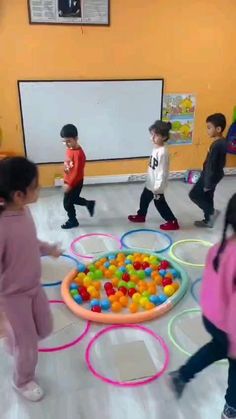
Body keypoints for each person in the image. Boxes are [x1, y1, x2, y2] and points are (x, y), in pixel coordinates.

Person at [0, 157, 62, 402]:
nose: (39, 189)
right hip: (13, 296)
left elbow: (30, 243)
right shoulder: (3, 227)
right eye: (35, 186)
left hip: (34, 286)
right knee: (28, 345)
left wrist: (49, 249)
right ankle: (22, 380)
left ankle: (15, 337)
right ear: (18, 195)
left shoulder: (24, 213)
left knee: (45, 327)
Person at [169, 193, 236, 419]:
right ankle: (231, 409)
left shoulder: (219, 247)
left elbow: (211, 285)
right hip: (231, 327)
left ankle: (182, 375)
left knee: (217, 347)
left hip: (211, 317)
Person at [128, 120, 179, 231]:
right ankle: (141, 215)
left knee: (159, 203)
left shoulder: (163, 152)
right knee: (144, 198)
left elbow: (162, 172)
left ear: (164, 137)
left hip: (157, 185)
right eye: (152, 135)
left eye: (156, 136)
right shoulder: (156, 148)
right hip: (151, 182)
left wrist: (157, 188)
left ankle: (172, 221)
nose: (152, 138)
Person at [189, 113, 227, 228]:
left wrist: (208, 182)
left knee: (194, 195)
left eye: (209, 128)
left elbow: (212, 164)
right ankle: (208, 220)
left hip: (209, 176)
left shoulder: (217, 145)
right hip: (215, 175)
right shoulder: (222, 142)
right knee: (207, 197)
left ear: (218, 129)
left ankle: (211, 212)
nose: (207, 131)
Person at [61, 124, 95, 229]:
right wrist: (65, 178)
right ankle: (89, 204)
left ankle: (73, 221)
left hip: (75, 182)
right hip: (70, 181)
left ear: (76, 138)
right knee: (74, 199)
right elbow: (68, 165)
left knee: (67, 203)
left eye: (69, 141)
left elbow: (76, 172)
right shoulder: (70, 148)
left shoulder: (79, 154)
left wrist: (69, 184)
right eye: (64, 141)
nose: (66, 144)